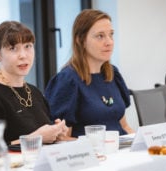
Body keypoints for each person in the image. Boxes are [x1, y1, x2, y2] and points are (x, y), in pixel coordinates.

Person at [0, 21, 69, 145]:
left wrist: (56, 132)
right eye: (13, 48)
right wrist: (36, 138)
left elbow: (44, 137)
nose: (23, 55)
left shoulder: (34, 92)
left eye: (28, 46)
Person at [44, 9, 134, 139]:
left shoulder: (113, 74)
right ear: (80, 41)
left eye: (111, 34)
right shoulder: (68, 80)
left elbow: (124, 126)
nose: (109, 42)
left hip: (120, 152)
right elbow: (62, 138)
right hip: (92, 155)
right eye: (100, 36)